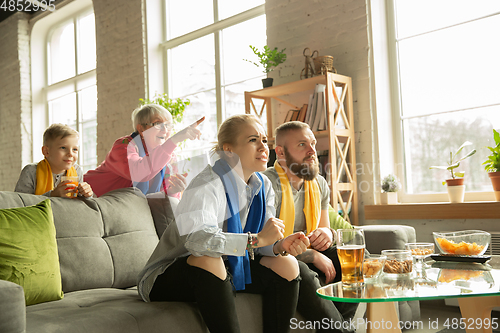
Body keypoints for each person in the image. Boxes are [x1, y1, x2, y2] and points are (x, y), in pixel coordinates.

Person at [137, 114, 311, 333]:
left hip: (227, 265)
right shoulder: (207, 183)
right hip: (168, 274)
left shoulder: (263, 184)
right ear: (228, 150)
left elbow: (260, 243)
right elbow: (198, 242)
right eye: (252, 140)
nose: (263, 147)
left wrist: (278, 246)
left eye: (264, 140)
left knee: (287, 264)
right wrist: (256, 239)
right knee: (209, 258)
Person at [263, 121, 358, 327]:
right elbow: (267, 246)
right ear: (280, 152)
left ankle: (341, 325)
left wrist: (328, 233)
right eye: (302, 145)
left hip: (304, 250)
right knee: (302, 270)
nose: (312, 151)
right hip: (278, 256)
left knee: (357, 258)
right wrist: (312, 255)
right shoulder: (266, 184)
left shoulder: (319, 183)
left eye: (313, 143)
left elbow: (322, 234)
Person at [84, 104, 204, 197]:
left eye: (168, 125)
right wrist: (175, 140)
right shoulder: (124, 145)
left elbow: (163, 198)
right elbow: (139, 173)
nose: (165, 130)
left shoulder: (168, 155)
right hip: (87, 196)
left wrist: (173, 190)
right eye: (157, 123)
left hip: (127, 207)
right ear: (141, 129)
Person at [15, 123, 93, 198]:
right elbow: (20, 203)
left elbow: (80, 204)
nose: (70, 154)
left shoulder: (77, 171)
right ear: (46, 151)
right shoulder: (31, 171)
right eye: (63, 148)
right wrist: (52, 195)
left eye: (75, 149)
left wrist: (86, 195)